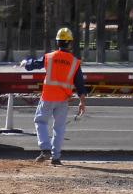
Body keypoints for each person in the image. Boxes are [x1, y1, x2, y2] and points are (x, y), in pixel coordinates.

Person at [21, 27, 88, 166]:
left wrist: (25, 63)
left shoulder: (49, 57)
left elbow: (33, 65)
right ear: (70, 43)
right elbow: (80, 84)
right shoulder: (75, 62)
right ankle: (56, 158)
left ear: (57, 42)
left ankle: (45, 148)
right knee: (59, 128)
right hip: (63, 99)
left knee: (40, 121)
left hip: (48, 97)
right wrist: (82, 102)